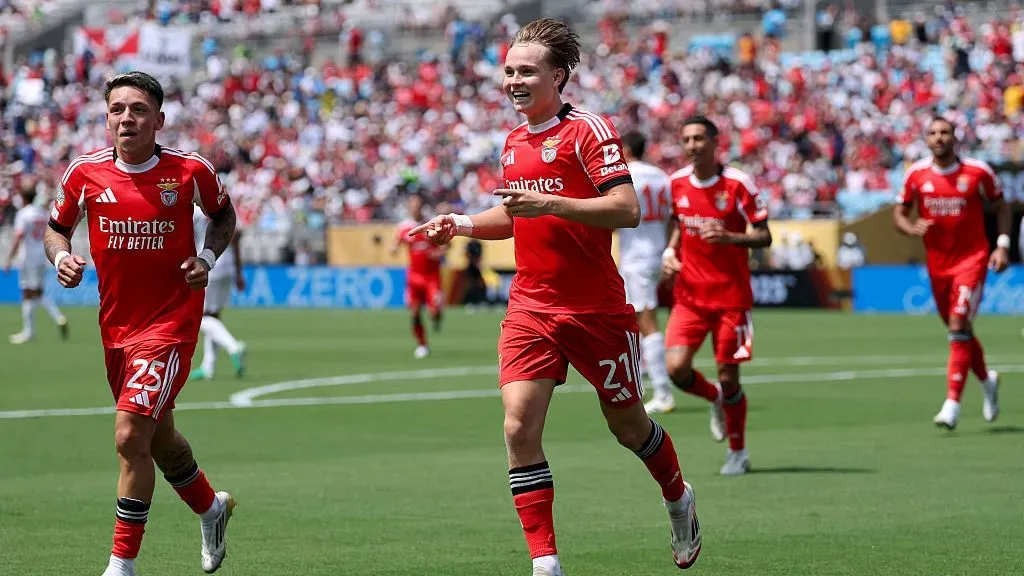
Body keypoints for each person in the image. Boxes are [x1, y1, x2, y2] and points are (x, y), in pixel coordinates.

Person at [411, 19, 701, 575]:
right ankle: (546, 563)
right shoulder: (514, 141)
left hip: (595, 309)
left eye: (526, 71)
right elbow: (516, 216)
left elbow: (626, 209)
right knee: (519, 428)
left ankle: (677, 497)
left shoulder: (588, 130)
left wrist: (551, 204)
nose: (514, 80)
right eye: (509, 71)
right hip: (531, 307)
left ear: (558, 76)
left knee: (629, 427)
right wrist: (464, 222)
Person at [43, 71, 237, 576]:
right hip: (116, 328)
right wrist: (61, 256)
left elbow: (223, 215)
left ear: (159, 119)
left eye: (138, 109)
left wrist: (208, 258)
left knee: (130, 436)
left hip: (170, 323)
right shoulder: (82, 174)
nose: (126, 118)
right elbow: (56, 230)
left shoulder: (190, 170)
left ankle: (121, 566)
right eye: (117, 109)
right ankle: (211, 508)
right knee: (159, 438)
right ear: (107, 117)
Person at [662, 116, 772, 476]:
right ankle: (714, 399)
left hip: (731, 298)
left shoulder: (738, 184)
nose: (692, 145)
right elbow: (678, 223)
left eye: (698, 138)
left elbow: (764, 235)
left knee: (730, 377)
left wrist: (731, 238)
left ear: (714, 142)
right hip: (689, 296)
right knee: (676, 369)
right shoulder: (676, 182)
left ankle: (738, 451)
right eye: (686, 139)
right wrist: (670, 251)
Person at [894, 117, 1005, 430]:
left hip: (972, 259)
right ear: (926, 140)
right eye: (933, 133)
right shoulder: (916, 174)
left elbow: (1002, 206)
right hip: (938, 264)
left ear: (955, 138)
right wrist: (909, 227)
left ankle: (952, 404)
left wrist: (1003, 245)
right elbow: (899, 213)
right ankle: (987, 381)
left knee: (958, 324)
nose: (939, 137)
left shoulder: (977, 171)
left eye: (944, 132)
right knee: (961, 330)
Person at [616, 130, 676, 414]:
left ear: (626, 148)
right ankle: (641, 378)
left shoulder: (625, 175)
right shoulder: (662, 177)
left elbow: (618, 215)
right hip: (657, 251)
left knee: (647, 319)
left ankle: (663, 390)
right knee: (638, 319)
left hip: (636, 255)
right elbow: (670, 219)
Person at [3, 185, 69, 343]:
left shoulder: (23, 214)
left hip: (27, 257)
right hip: (42, 255)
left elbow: (18, 236)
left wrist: (9, 258)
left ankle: (29, 332)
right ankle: (58, 316)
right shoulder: (43, 213)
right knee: (38, 292)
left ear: (24, 197)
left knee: (27, 292)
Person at [189, 205, 247, 380]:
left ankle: (233, 347)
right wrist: (238, 272)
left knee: (199, 316)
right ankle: (208, 366)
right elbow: (236, 236)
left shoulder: (194, 209)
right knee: (214, 316)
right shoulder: (226, 206)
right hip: (226, 264)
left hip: (206, 264)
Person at [392, 193, 446, 359]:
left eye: (417, 205)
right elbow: (396, 244)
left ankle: (437, 317)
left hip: (431, 277)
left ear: (422, 207)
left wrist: (438, 252)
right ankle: (422, 345)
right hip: (414, 277)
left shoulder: (430, 224)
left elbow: (446, 245)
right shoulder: (404, 227)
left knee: (434, 311)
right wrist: (393, 249)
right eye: (412, 205)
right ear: (409, 208)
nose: (414, 208)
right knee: (414, 313)